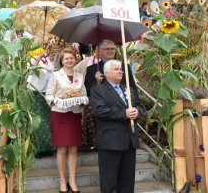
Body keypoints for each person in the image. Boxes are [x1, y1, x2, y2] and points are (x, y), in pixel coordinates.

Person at [90, 60, 143, 193]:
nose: (120, 71)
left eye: (121, 69)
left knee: (127, 182)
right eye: (116, 69)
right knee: (109, 181)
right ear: (106, 73)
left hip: (130, 141)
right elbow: (99, 111)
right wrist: (123, 113)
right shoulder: (97, 90)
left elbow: (141, 106)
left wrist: (138, 111)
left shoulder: (129, 89)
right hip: (110, 142)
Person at [45, 48, 87, 193]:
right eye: (66, 58)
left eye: (71, 58)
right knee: (62, 148)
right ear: (62, 61)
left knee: (74, 148)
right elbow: (48, 95)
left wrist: (82, 101)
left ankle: (72, 180)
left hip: (74, 114)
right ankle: (62, 180)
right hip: (60, 114)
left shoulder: (80, 76)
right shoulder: (56, 76)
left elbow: (84, 94)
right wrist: (58, 101)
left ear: (75, 60)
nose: (69, 61)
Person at [83, 40, 137, 148]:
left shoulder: (124, 67)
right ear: (99, 51)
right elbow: (87, 90)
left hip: (124, 110)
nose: (110, 51)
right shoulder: (92, 69)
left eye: (112, 48)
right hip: (106, 115)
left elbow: (133, 88)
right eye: (107, 49)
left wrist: (135, 106)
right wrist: (96, 82)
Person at [28, 36, 55, 157]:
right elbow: (30, 68)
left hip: (47, 92)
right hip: (36, 92)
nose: (45, 47)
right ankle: (38, 149)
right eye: (42, 45)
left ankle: (49, 147)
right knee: (38, 122)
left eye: (45, 45)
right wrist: (38, 56)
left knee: (48, 120)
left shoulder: (47, 59)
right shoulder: (32, 55)